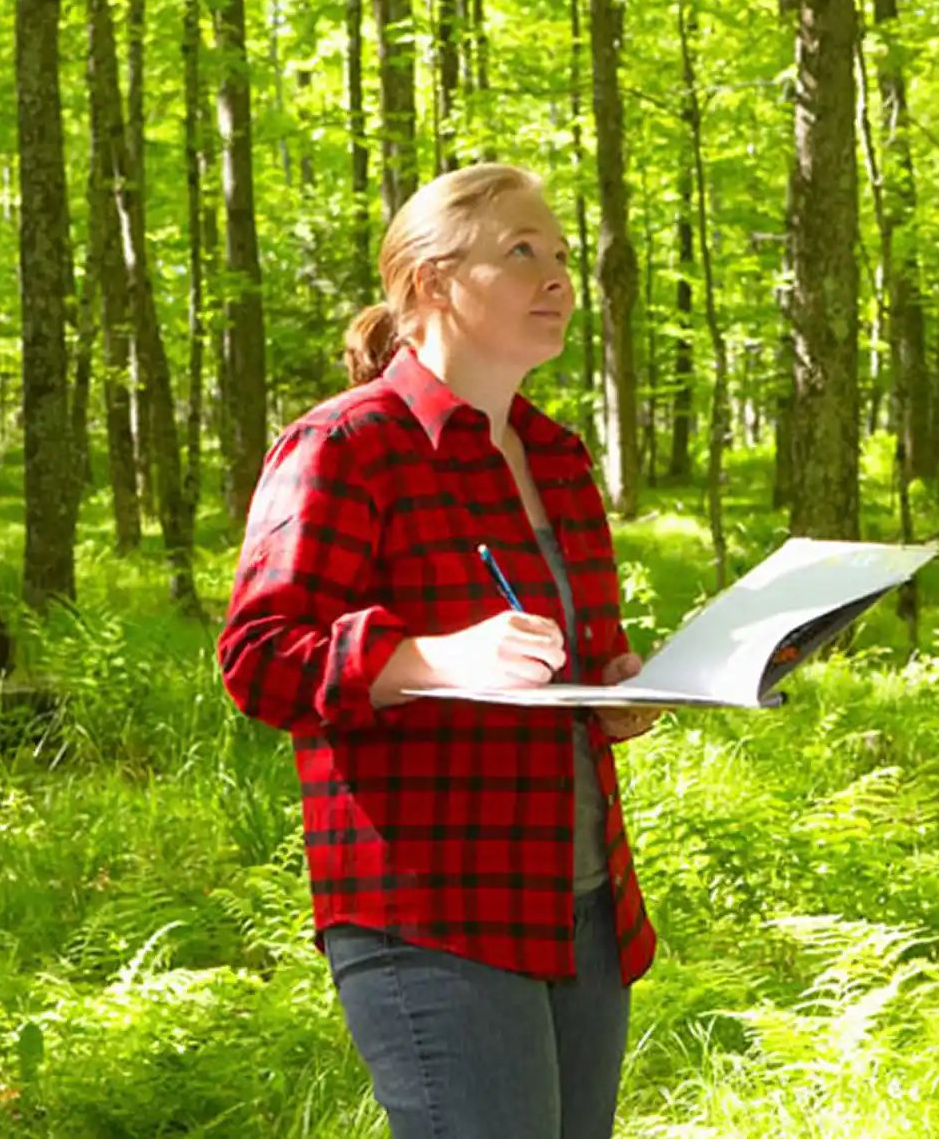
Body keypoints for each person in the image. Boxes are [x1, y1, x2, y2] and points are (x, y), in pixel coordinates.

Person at [216, 163, 661, 1139]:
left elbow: (572, 663)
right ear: (428, 284)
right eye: (521, 252)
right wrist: (429, 656)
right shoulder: (344, 444)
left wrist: (618, 693)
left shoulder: (559, 457)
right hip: (430, 907)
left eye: (561, 255)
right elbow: (258, 655)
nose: (558, 276)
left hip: (582, 899)